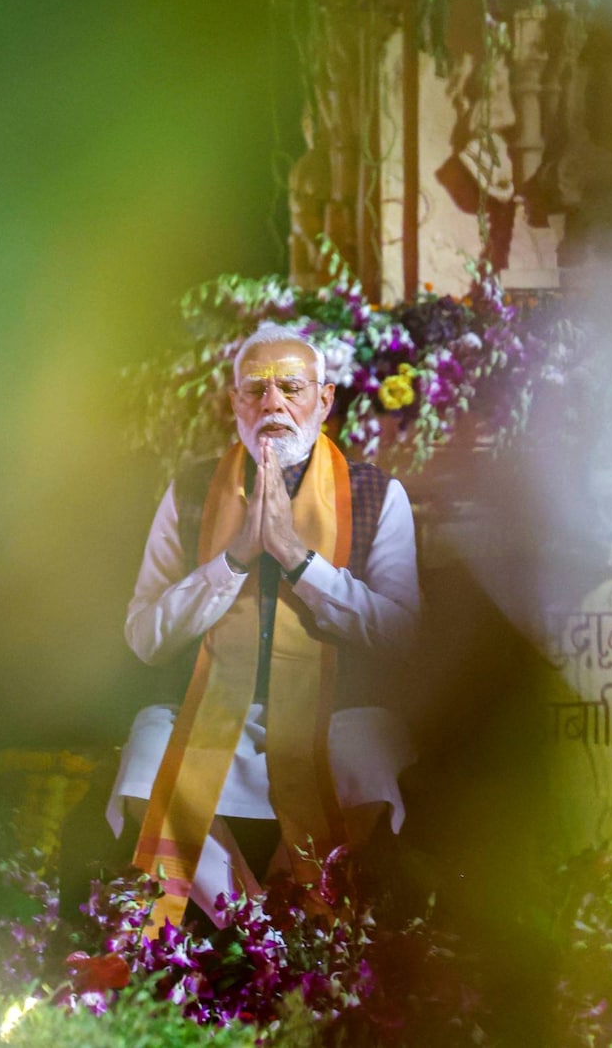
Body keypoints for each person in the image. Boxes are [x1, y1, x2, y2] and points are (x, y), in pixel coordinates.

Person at [106, 322, 420, 930]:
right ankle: (255, 926)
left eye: (291, 388)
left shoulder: (379, 495)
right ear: (235, 403)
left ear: (324, 401)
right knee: (147, 750)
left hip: (329, 710)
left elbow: (400, 634)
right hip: (209, 708)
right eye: (256, 389)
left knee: (368, 751)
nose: (272, 404)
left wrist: (298, 560)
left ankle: (287, 921)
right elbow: (145, 638)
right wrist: (234, 559)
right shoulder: (190, 491)